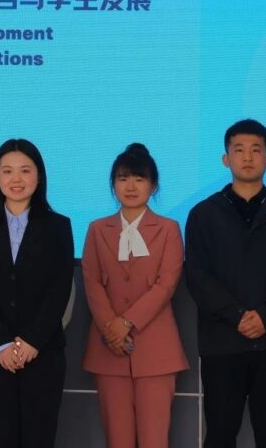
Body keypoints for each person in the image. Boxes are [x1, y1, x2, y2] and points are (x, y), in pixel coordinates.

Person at [185, 119, 266, 448]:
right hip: (222, 341)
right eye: (239, 149)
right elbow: (198, 275)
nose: (247, 157)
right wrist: (237, 315)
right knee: (220, 435)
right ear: (225, 159)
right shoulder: (203, 214)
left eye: (256, 150)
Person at [81, 143, 188, 448]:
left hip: (156, 350)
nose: (131, 186)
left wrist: (126, 322)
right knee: (117, 440)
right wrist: (110, 328)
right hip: (108, 349)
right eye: (123, 178)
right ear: (113, 184)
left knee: (155, 439)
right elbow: (91, 281)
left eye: (139, 179)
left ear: (153, 186)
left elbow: (166, 284)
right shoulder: (97, 229)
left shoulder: (168, 229)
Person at [0, 139, 74, 447]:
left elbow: (59, 288)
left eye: (25, 170)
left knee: (38, 437)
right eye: (7, 171)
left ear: (39, 176)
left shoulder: (58, 226)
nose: (16, 179)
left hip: (43, 352)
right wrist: (2, 344)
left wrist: (32, 341)